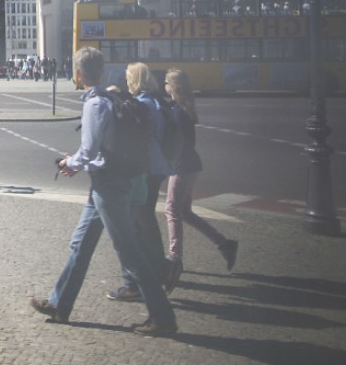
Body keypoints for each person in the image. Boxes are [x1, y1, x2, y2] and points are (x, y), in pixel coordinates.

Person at [30, 47, 177, 337]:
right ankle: (60, 304)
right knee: (80, 245)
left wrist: (68, 163)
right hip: (105, 183)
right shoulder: (111, 97)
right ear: (102, 70)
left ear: (78, 73)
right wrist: (78, 163)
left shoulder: (95, 104)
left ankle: (163, 317)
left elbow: (89, 151)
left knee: (130, 252)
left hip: (108, 186)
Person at [107, 62, 176, 302]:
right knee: (144, 218)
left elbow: (141, 139)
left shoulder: (144, 104)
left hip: (147, 167)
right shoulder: (155, 100)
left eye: (129, 77)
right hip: (159, 165)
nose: (127, 81)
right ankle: (158, 268)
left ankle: (157, 269)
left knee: (140, 221)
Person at [163, 69, 238, 274]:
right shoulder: (183, 108)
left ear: (173, 86)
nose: (164, 86)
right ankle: (224, 243)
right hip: (191, 164)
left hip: (182, 166)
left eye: (166, 83)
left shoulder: (177, 112)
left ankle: (175, 258)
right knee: (184, 211)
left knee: (172, 210)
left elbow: (179, 142)